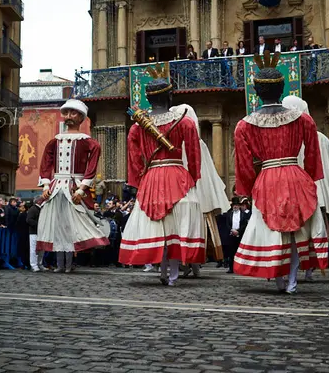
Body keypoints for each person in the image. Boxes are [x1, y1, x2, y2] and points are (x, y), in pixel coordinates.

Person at [233, 51, 326, 294]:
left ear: (255, 90)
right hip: (295, 175)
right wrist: (311, 177)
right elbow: (313, 155)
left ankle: (279, 277)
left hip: (268, 178)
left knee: (273, 231)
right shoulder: (303, 120)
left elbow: (243, 164)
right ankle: (293, 279)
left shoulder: (244, 125)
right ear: (283, 88)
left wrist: (245, 189)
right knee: (297, 231)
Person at [119, 64, 203, 286]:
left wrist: (139, 181)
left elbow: (134, 159)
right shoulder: (184, 121)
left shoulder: (137, 128)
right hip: (177, 175)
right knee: (176, 226)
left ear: (148, 98)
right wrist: (193, 176)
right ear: (170, 95)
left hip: (152, 178)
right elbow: (194, 153)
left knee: (158, 227)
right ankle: (173, 274)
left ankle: (163, 271)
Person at [37, 99, 110, 273]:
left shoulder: (88, 141)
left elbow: (92, 164)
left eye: (73, 113)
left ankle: (69, 264)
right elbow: (46, 163)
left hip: (74, 186)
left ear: (81, 117)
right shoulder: (54, 141)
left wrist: (82, 188)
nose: (69, 116)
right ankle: (59, 264)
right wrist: (46, 185)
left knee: (71, 227)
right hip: (56, 187)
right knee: (57, 226)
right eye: (67, 113)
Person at [281, 95, 329, 282]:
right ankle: (309, 269)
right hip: (318, 190)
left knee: (295, 232)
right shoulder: (324, 139)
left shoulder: (288, 135)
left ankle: (291, 269)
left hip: (296, 190)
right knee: (315, 231)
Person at [170, 104, 230, 277]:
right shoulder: (198, 143)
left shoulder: (195, 144)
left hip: (189, 190)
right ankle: (190, 265)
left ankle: (191, 265)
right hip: (193, 191)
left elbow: (204, 169)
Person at [223, 197, 250, 273]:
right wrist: (232, 230)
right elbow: (227, 224)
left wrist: (238, 231)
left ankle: (240, 268)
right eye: (234, 205)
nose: (235, 206)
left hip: (240, 235)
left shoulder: (243, 214)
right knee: (231, 252)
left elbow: (244, 225)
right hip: (231, 234)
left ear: (239, 206)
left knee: (240, 252)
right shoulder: (229, 214)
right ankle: (231, 268)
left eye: (237, 205)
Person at [26, 197, 44, 271]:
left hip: (41, 232)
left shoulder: (41, 209)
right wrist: (39, 225)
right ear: (39, 201)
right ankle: (34, 265)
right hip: (34, 232)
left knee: (41, 249)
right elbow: (29, 220)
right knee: (34, 249)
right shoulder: (33, 209)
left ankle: (39, 264)